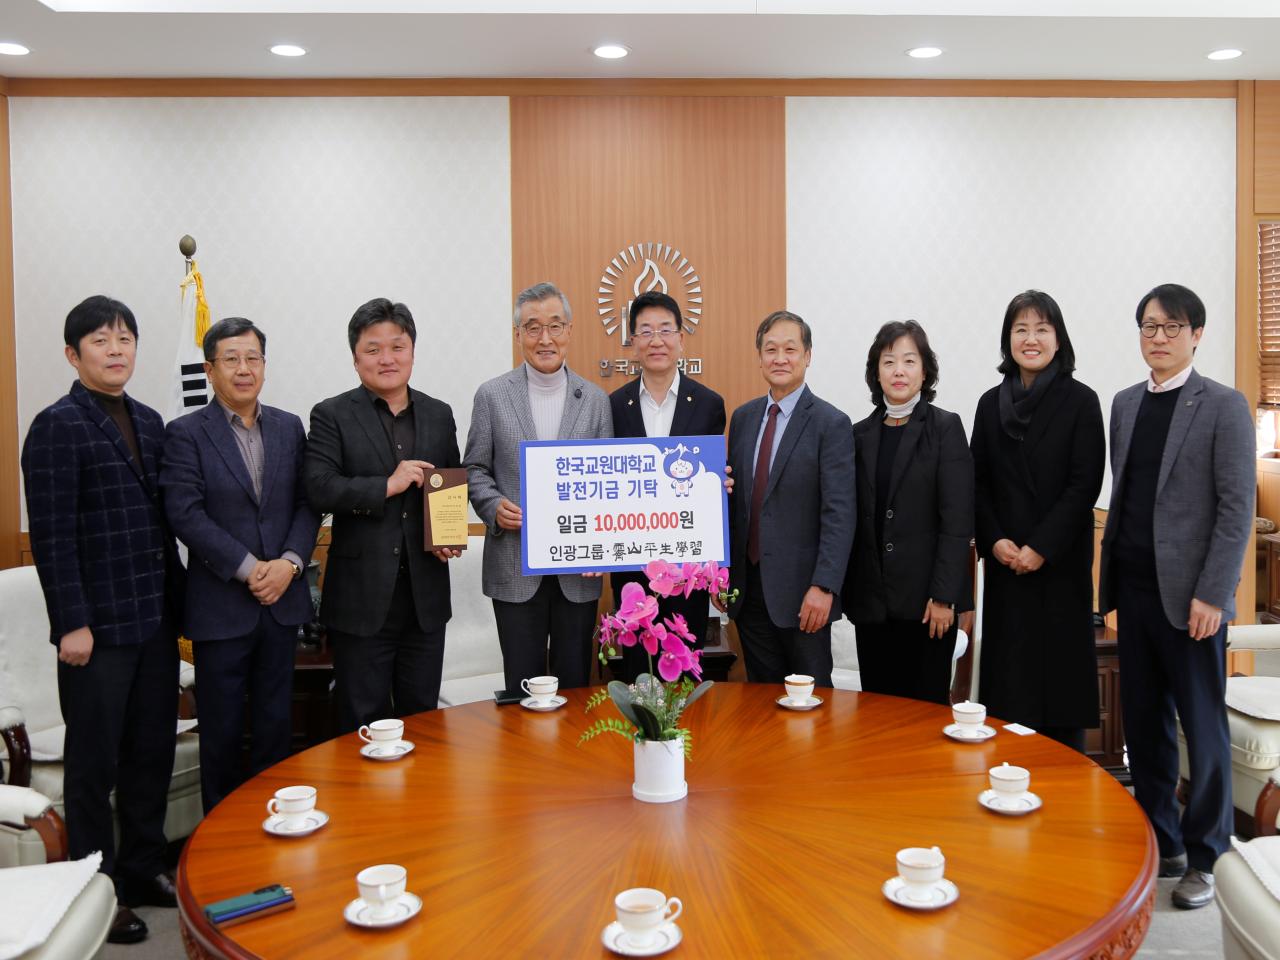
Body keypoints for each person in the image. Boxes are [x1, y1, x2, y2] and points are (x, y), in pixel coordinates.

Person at [21, 295, 184, 945]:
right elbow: (53, 536)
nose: (116, 350)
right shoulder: (56, 425)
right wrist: (72, 625)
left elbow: (162, 521)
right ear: (73, 354)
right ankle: (96, 887)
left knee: (151, 754)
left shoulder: (150, 420)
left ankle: (143, 867)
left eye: (125, 339)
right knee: (95, 767)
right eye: (100, 340)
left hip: (153, 621)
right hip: (97, 631)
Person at [1099, 283, 1254, 910]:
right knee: (1145, 724)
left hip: (1194, 601)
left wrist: (1213, 594)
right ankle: (1162, 841)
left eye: (1171, 326)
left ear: (1196, 334)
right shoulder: (1125, 403)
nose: (1157, 337)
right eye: (1148, 326)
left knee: (1202, 725)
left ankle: (1210, 853)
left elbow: (1236, 508)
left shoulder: (1223, 406)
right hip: (1133, 592)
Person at [160, 317, 319, 812]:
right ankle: (220, 856)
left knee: (276, 731)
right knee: (223, 736)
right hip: (221, 609)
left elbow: (308, 503)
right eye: (231, 359)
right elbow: (184, 513)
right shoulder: (185, 433)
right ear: (210, 369)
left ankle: (275, 837)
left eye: (253, 358)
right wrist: (251, 568)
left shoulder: (290, 426)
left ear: (265, 366)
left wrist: (289, 564)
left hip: (281, 604)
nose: (243, 369)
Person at [303, 298, 461, 732]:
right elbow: (318, 487)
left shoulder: (438, 413)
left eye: (398, 346)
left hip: (424, 600)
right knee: (362, 724)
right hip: (361, 602)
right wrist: (386, 485)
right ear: (355, 358)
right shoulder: (332, 414)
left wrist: (447, 532)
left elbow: (449, 483)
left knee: (424, 722)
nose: (387, 358)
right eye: (373, 349)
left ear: (413, 351)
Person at [970, 291, 1105, 750]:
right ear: (1007, 339)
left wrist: (1040, 547)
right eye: (1020, 329)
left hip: (1059, 567)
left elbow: (1084, 485)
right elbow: (978, 483)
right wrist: (995, 541)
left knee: (1059, 696)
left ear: (1058, 338)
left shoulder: (1082, 401)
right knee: (1011, 699)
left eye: (1041, 329)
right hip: (1007, 568)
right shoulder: (990, 404)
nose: (1031, 339)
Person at [465, 281, 613, 691]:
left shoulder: (597, 400)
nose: (544, 338)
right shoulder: (492, 396)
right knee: (521, 689)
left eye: (554, 326)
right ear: (518, 336)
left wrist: (600, 543)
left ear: (569, 330)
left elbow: (607, 486)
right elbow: (474, 468)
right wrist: (493, 506)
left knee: (574, 686)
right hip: (515, 566)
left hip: (577, 573)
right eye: (532, 327)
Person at [722, 310, 855, 687]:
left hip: (805, 597)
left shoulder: (831, 423)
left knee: (812, 707)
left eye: (790, 349)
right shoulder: (744, 418)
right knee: (761, 707)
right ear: (759, 356)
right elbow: (737, 508)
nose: (780, 358)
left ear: (808, 355)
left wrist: (824, 586)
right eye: (770, 349)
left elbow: (839, 513)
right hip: (749, 593)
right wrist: (724, 576)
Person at [843, 320, 973, 706]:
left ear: (925, 370)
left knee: (925, 719)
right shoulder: (858, 435)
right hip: (873, 605)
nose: (899, 371)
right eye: (889, 361)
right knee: (877, 718)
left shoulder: (945, 428)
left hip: (928, 607)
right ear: (876, 372)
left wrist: (945, 597)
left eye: (909, 361)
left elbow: (958, 520)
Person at [609, 291, 726, 681]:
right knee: (634, 681)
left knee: (683, 674)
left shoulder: (709, 404)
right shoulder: (612, 405)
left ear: (681, 339)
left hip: (685, 574)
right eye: (645, 331)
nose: (656, 340)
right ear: (633, 342)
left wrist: (718, 485)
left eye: (665, 330)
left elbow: (713, 485)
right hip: (631, 570)